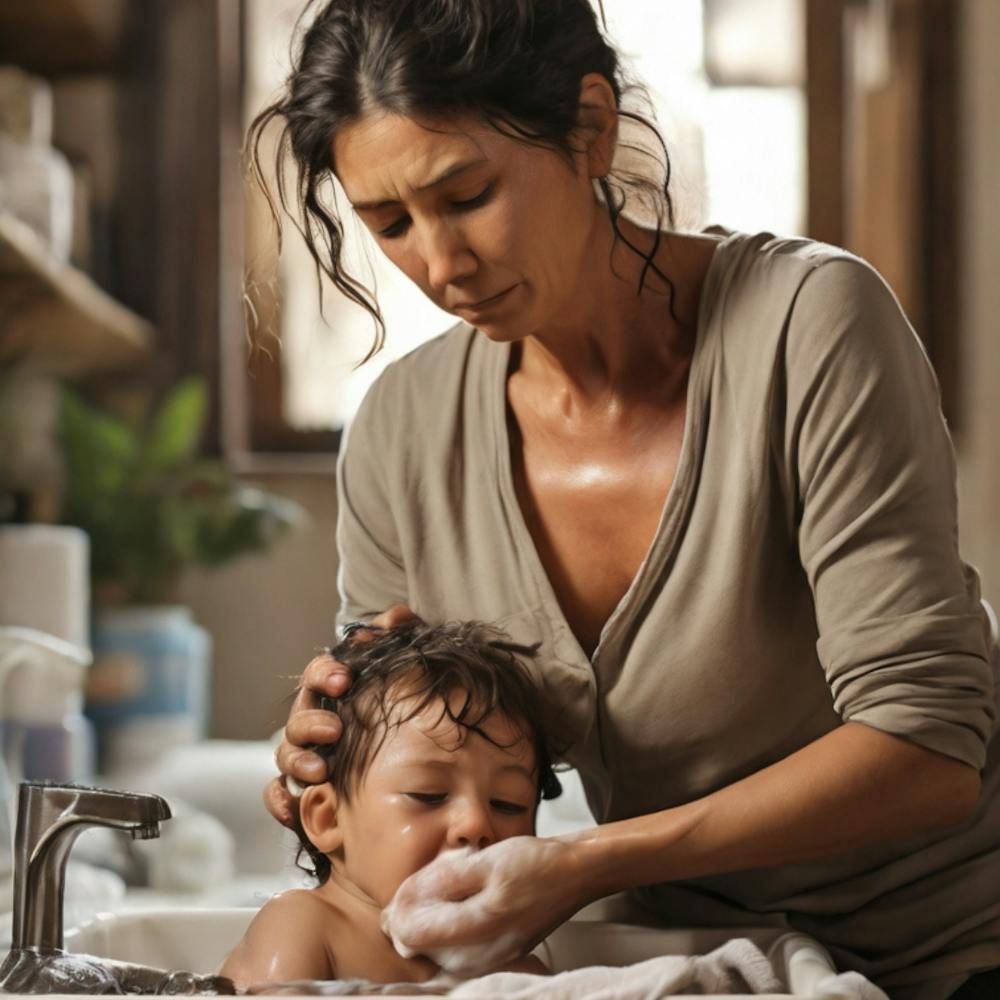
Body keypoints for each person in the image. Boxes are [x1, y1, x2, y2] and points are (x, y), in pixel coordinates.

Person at [249, 1, 1000, 998]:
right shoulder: (401, 430)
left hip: (949, 956)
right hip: (696, 968)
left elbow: (929, 750)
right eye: (389, 223)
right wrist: (325, 755)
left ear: (590, 127)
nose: (439, 265)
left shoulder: (805, 327)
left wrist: (591, 863)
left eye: (466, 194)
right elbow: (410, 740)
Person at [220, 620, 558, 989]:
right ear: (328, 818)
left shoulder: (509, 964)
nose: (476, 824)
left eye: (507, 803)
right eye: (429, 795)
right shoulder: (304, 924)